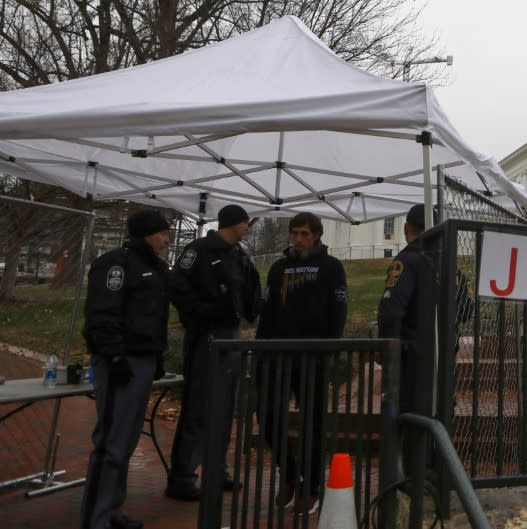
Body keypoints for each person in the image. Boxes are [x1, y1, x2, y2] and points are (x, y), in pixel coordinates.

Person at [80, 209, 171, 529]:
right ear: (148, 233)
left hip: (142, 362)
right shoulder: (115, 264)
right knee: (112, 443)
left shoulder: (155, 267)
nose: (167, 239)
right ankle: (97, 519)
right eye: (163, 233)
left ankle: (112, 510)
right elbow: (102, 315)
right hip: (120, 362)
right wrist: (114, 357)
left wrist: (156, 357)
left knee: (126, 441)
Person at [165, 204, 261, 501]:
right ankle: (182, 477)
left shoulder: (239, 255)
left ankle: (217, 469)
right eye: (246, 223)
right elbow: (178, 286)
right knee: (200, 404)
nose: (248, 228)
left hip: (229, 334)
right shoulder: (200, 250)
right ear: (235, 223)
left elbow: (248, 291)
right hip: (206, 334)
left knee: (224, 405)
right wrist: (199, 313)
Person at [256, 212, 348, 515]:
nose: (298, 238)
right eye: (294, 233)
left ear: (317, 235)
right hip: (277, 356)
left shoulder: (332, 267)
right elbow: (266, 310)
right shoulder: (279, 267)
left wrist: (329, 349)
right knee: (268, 418)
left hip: (314, 357)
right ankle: (290, 472)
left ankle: (311, 488)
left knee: (313, 422)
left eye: (305, 233)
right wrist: (260, 348)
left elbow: (338, 310)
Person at [377, 204, 474, 412]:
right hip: (445, 355)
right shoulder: (451, 266)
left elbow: (391, 311)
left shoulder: (407, 260)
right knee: (441, 413)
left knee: (408, 418)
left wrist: (387, 352)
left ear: (405, 229)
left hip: (412, 358)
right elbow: (468, 308)